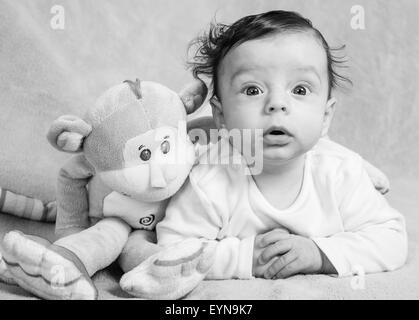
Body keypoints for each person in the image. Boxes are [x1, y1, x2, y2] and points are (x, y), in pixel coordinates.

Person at [155, 10, 407, 280]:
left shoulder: (340, 172)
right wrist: (242, 258)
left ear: (325, 116)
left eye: (300, 90)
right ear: (221, 117)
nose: (277, 103)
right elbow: (172, 249)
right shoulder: (210, 179)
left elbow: (391, 239)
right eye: (252, 90)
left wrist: (321, 253)